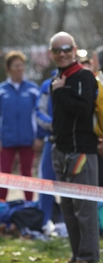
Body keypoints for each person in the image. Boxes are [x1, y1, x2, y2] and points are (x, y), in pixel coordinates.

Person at [49, 31, 99, 263]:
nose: (62, 53)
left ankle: (88, 260)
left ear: (75, 49)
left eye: (66, 48)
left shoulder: (83, 76)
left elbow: (83, 109)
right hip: (60, 150)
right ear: (51, 54)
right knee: (67, 208)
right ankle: (77, 254)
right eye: (57, 50)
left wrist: (61, 92)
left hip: (81, 153)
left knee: (84, 209)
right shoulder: (58, 78)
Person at [0, 51, 42, 201]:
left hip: (28, 139)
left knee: (27, 174)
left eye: (21, 65)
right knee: (4, 175)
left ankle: (29, 206)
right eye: (16, 65)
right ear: (9, 68)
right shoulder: (2, 90)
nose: (19, 68)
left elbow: (38, 115)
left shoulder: (32, 88)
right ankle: (1, 208)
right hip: (6, 140)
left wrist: (38, 137)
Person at [36, 71, 62, 233]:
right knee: (46, 183)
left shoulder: (83, 80)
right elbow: (39, 111)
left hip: (76, 144)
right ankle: (44, 221)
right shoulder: (47, 84)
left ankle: (68, 224)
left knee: (76, 186)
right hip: (51, 141)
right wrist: (54, 124)